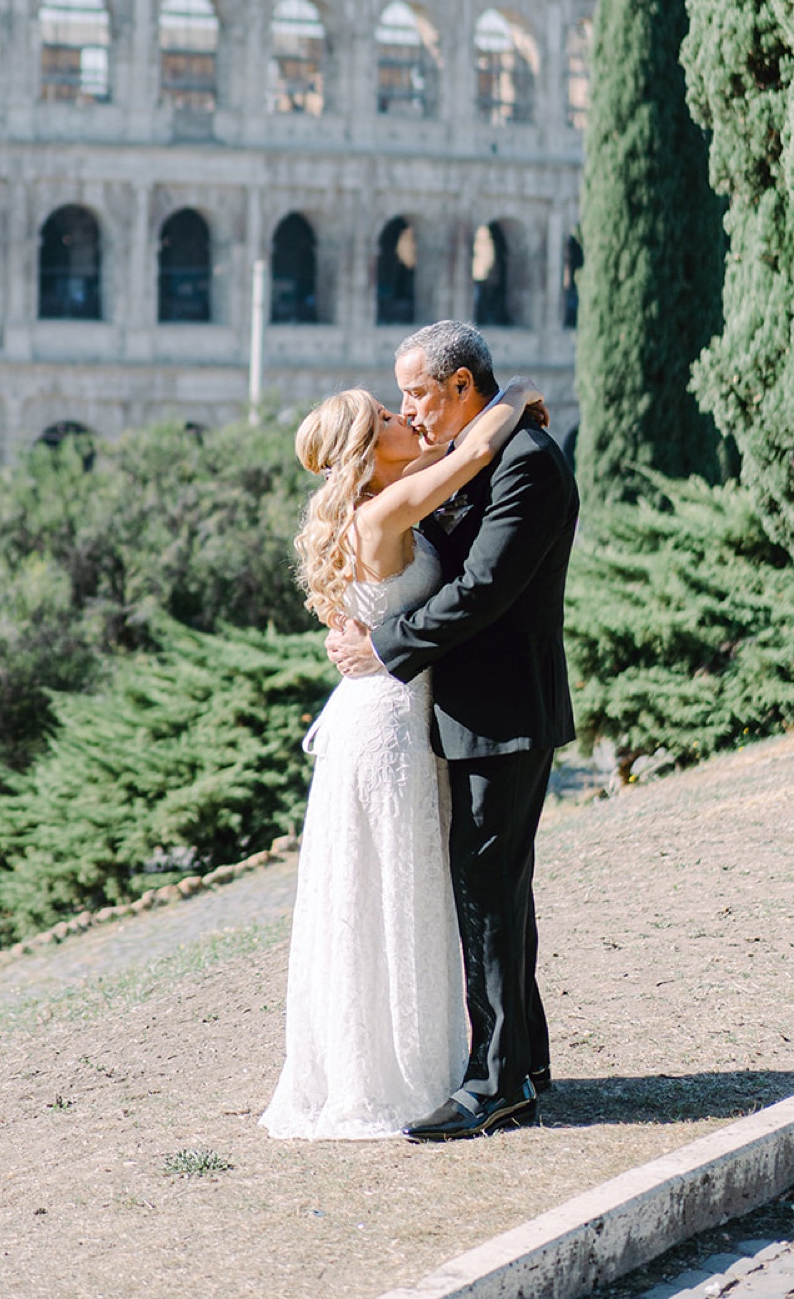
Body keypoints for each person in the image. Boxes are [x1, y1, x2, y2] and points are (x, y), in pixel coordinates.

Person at [261, 367, 546, 1141]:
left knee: (403, 887)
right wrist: (513, 395)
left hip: (388, 707)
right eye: (389, 413)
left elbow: (451, 457)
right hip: (387, 721)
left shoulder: (385, 496)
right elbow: (473, 451)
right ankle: (403, 1073)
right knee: (398, 885)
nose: (405, 420)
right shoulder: (385, 509)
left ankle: (451, 1062)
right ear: (365, 445)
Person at [326, 320, 578, 1141]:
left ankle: (496, 1083)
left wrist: (381, 646)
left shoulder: (528, 466)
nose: (410, 409)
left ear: (462, 386)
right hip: (462, 711)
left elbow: (482, 590)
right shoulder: (469, 453)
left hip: (502, 711)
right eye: (400, 398)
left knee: (490, 893)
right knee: (496, 889)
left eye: (418, 394)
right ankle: (525, 1059)